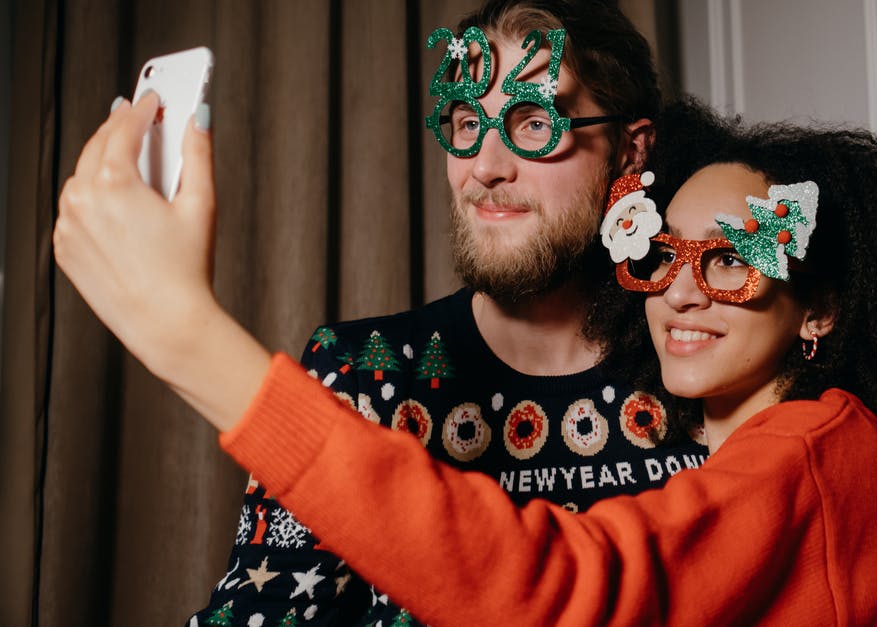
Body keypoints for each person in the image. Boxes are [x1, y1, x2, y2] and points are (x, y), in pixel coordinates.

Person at [57, 90, 877, 623]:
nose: (683, 291)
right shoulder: (765, 450)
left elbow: (554, 589)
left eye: (732, 258)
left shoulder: (814, 450)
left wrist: (189, 340)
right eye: (659, 255)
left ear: (818, 311)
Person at [55, 1, 707, 625]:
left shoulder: (705, 366)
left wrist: (183, 334)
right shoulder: (359, 376)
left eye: (535, 122)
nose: (483, 167)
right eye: (464, 121)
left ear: (630, 150)